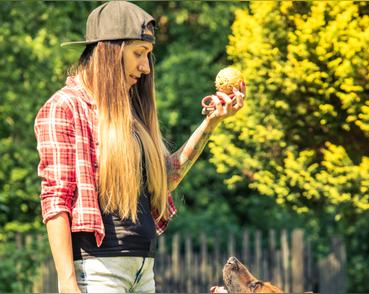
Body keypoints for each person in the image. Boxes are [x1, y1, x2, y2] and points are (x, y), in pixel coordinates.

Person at [34, 1, 245, 293]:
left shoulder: (130, 111)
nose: (145, 67)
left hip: (144, 270)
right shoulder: (65, 108)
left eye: (148, 55)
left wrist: (211, 123)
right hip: (98, 273)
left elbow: (166, 179)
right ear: (109, 51)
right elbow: (56, 200)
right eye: (138, 53)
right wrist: (67, 283)